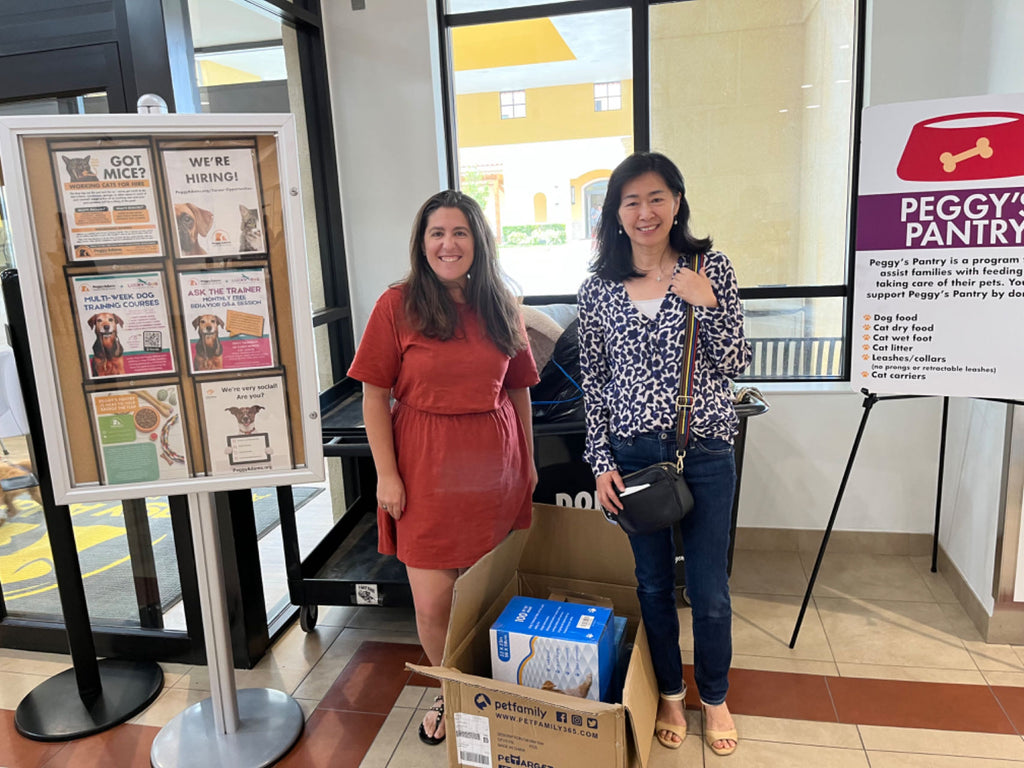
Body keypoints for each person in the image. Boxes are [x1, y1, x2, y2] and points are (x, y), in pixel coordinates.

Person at [348, 190, 539, 746]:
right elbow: (373, 396)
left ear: (479, 241)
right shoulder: (396, 304)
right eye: (437, 233)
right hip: (423, 468)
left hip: (495, 469)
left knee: (486, 598)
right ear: (422, 242)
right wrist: (386, 475)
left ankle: (491, 690)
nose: (448, 244)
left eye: (460, 232)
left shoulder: (501, 302)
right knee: (434, 602)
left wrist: (528, 463)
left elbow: (519, 390)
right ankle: (450, 691)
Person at [577, 152, 750, 756]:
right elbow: (594, 382)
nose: (644, 212)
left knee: (709, 589)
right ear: (616, 213)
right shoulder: (597, 290)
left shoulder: (710, 269)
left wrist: (710, 303)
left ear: (677, 202)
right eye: (631, 201)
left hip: (704, 449)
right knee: (652, 585)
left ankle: (716, 696)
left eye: (656, 198)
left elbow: (736, 362)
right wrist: (601, 462)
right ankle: (672, 693)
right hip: (632, 456)